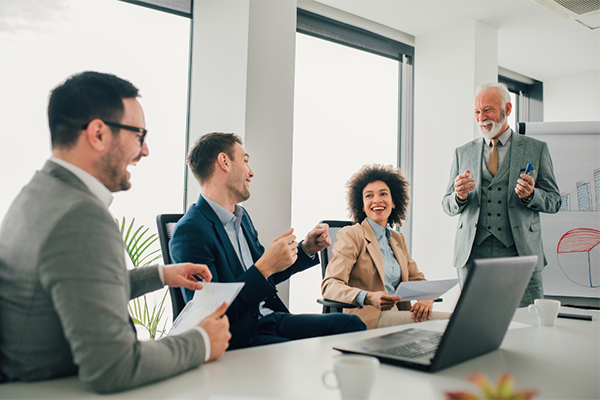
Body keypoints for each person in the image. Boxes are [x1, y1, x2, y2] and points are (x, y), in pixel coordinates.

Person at [0, 72, 231, 393]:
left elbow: (77, 290)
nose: (145, 150)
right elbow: (114, 367)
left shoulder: (37, 195)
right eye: (139, 134)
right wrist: (203, 341)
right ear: (97, 133)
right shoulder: (80, 216)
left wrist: (161, 275)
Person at [169, 132, 366, 350]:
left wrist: (307, 248)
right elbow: (210, 315)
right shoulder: (190, 232)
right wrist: (263, 267)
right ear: (224, 162)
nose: (251, 172)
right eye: (245, 161)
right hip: (239, 334)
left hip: (270, 319)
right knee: (298, 355)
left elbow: (267, 275)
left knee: (351, 324)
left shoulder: (242, 220)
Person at [442, 82, 561, 307]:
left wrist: (531, 195)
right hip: (472, 254)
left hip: (520, 252)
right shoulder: (463, 152)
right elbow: (447, 204)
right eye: (477, 112)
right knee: (474, 323)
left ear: (507, 109)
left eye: (488, 109)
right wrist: (459, 196)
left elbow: (554, 200)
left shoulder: (536, 149)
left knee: (528, 324)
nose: (481, 117)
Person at [321, 164, 451, 329]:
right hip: (368, 317)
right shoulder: (352, 234)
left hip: (398, 314)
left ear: (394, 202)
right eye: (369, 196)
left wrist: (427, 298)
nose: (377, 200)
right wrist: (367, 297)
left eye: (383, 194)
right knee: (451, 322)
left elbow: (416, 279)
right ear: (362, 205)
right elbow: (330, 285)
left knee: (456, 321)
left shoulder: (397, 239)